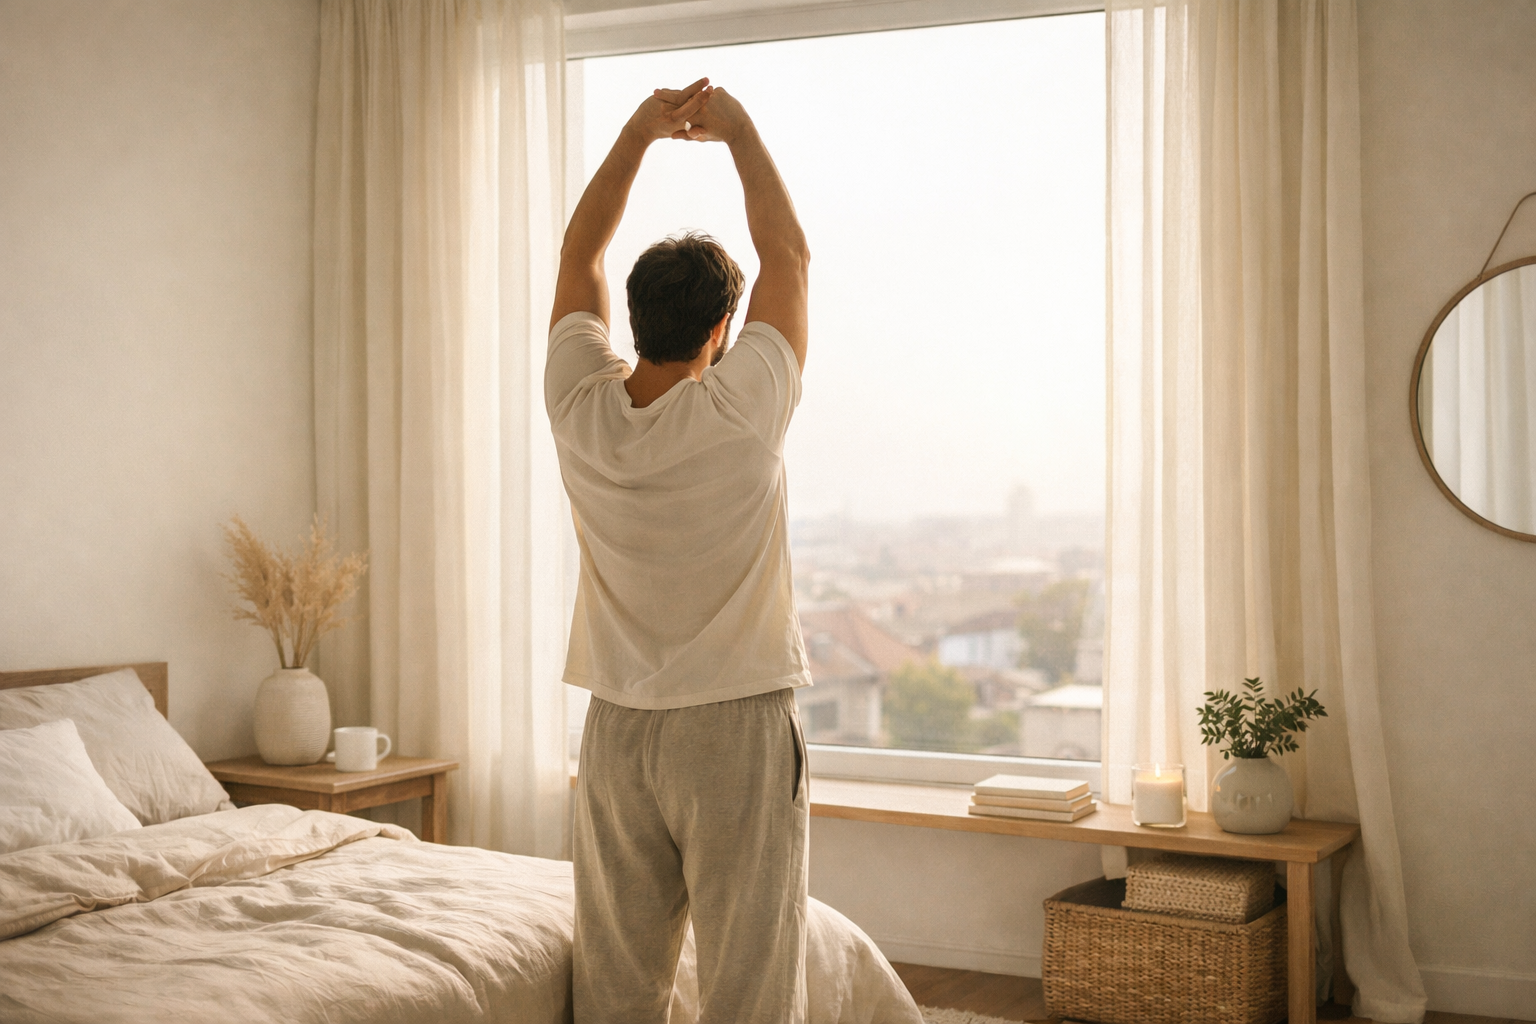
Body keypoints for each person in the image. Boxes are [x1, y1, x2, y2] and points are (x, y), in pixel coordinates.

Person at [543, 78, 813, 1024]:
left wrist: (637, 133)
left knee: (617, 985)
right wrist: (734, 127)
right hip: (731, 730)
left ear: (632, 316)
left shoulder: (580, 410)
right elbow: (789, 252)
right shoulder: (742, 416)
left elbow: (580, 248)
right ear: (722, 331)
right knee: (750, 983)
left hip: (617, 731)